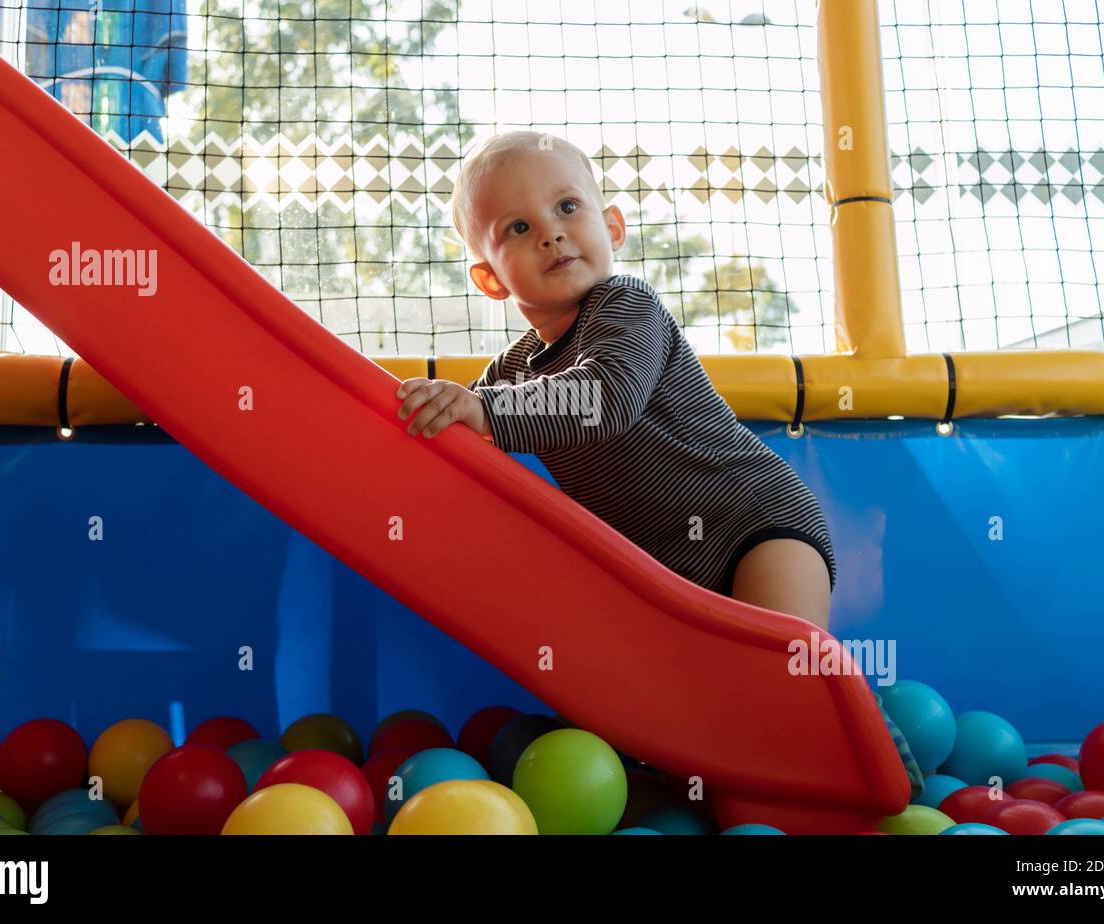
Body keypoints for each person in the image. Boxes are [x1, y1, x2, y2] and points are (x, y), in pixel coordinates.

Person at [395, 130, 922, 795]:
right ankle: (709, 782)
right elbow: (472, 443)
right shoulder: (509, 374)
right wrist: (448, 417)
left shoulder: (626, 307)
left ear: (611, 224)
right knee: (696, 715)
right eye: (519, 228)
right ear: (490, 278)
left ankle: (870, 756)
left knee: (784, 669)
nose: (552, 237)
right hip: (663, 575)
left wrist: (483, 412)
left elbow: (605, 399)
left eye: (567, 209)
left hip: (756, 526)